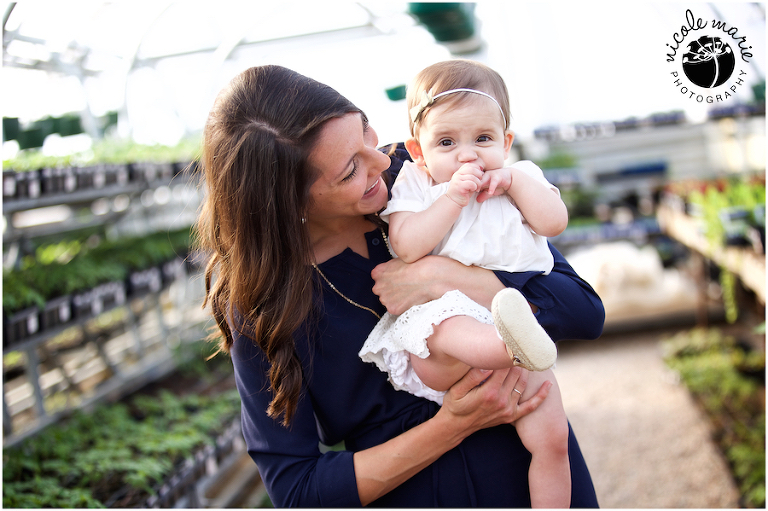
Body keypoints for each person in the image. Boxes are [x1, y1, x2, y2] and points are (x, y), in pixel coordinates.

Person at [195, 64, 605, 507]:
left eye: (366, 133)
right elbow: (298, 491)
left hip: (534, 478)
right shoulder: (262, 305)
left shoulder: (434, 172)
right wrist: (453, 425)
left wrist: (444, 277)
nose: (384, 161)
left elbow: (581, 309)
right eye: (351, 170)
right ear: (289, 203)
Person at [359, 59, 577, 508]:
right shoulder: (416, 185)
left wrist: (515, 181)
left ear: (506, 141)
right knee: (454, 323)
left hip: (517, 339)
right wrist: (454, 198)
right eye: (446, 142)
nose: (467, 154)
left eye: (483, 139)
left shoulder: (521, 177)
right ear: (419, 151)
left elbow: (554, 222)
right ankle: (511, 342)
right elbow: (406, 244)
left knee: (553, 439)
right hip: (444, 331)